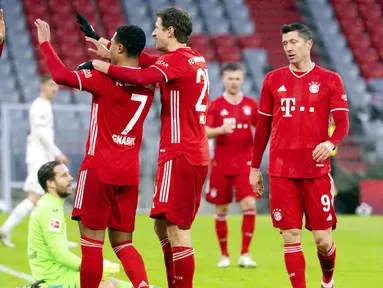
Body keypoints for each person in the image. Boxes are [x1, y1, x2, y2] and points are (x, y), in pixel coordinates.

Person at [80, 7, 209, 288]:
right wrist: (107, 44)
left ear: (170, 31)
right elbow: (145, 61)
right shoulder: (192, 59)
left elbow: (141, 76)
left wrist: (104, 66)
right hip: (191, 153)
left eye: (157, 27)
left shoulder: (175, 61)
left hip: (180, 153)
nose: (153, 33)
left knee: (177, 231)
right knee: (162, 225)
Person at [35, 19, 153, 288]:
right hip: (129, 173)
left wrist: (45, 41)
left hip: (99, 170)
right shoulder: (149, 82)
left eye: (113, 43)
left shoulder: (102, 78)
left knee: (91, 246)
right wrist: (104, 44)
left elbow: (61, 76)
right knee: (124, 244)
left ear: (120, 48)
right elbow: (134, 64)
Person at [249, 23, 349, 288]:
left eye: (293, 42)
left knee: (322, 241)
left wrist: (330, 143)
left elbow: (342, 123)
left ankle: (327, 280)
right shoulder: (272, 79)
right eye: (284, 44)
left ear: (308, 44)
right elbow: (262, 128)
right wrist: (254, 167)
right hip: (282, 172)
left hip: (316, 171)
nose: (288, 48)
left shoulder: (330, 79)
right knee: (290, 236)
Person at [27, 160, 134, 288]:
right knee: (105, 285)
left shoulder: (50, 205)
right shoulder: (50, 210)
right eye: (63, 176)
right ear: (50, 183)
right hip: (54, 279)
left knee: (116, 283)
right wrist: (91, 268)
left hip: (60, 273)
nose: (70, 178)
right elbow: (60, 254)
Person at [0, 75, 68, 248]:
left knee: (45, 199)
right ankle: (6, 229)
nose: (55, 88)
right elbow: (41, 134)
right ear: (42, 86)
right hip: (38, 159)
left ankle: (51, 239)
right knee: (36, 198)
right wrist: (57, 153)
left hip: (42, 158)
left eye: (56, 85)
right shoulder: (39, 106)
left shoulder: (45, 106)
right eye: (50, 84)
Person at [205, 63, 258, 268]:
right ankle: (224, 255)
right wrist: (220, 129)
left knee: (249, 204)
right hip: (221, 163)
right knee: (221, 209)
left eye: (237, 78)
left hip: (245, 163)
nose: (234, 82)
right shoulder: (216, 105)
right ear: (223, 79)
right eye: (230, 78)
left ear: (242, 80)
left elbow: (261, 128)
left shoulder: (251, 104)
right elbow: (204, 131)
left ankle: (245, 254)